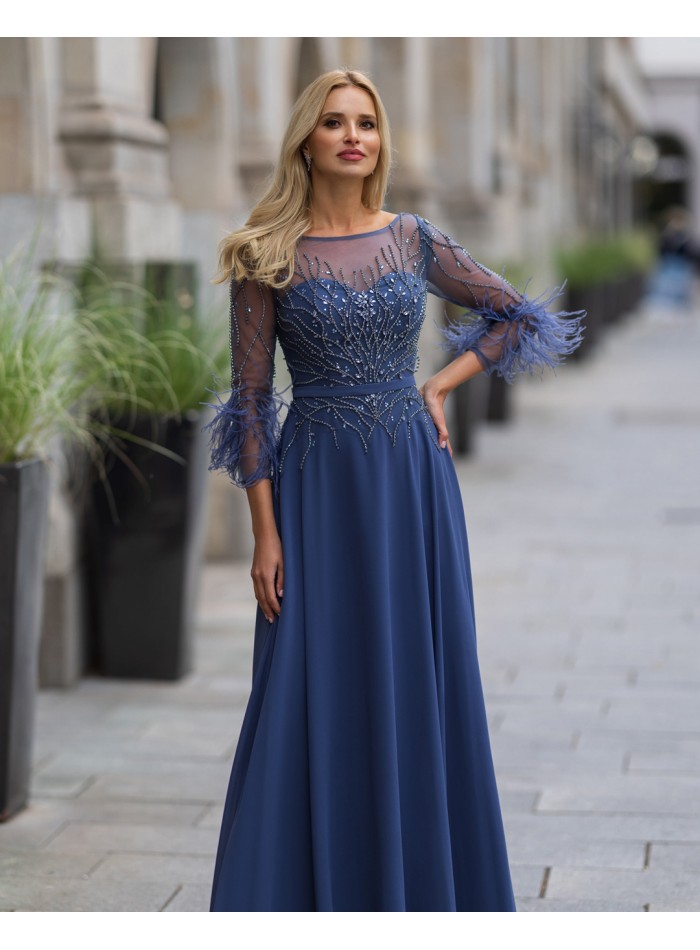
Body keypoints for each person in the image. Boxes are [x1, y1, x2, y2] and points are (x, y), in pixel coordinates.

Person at [204, 68, 584, 912]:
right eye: (335, 122)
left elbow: (520, 316)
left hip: (412, 483)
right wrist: (265, 534)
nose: (353, 136)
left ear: (381, 141)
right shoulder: (265, 253)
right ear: (306, 140)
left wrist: (441, 382)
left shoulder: (414, 239)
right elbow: (252, 404)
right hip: (315, 490)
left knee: (418, 673)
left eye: (367, 123)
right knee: (308, 678)